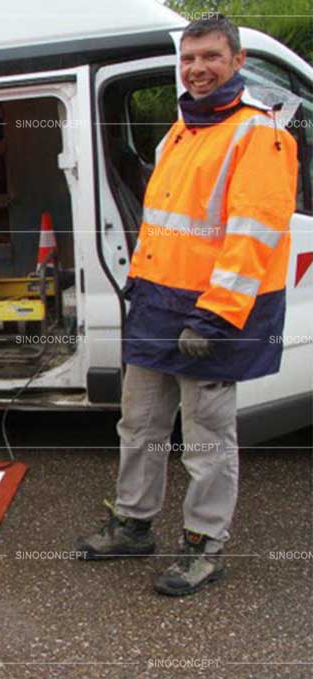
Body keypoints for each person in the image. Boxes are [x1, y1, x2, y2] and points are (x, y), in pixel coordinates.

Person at [75, 14, 298, 595]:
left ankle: (204, 545)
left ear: (237, 63)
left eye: (210, 58)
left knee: (205, 439)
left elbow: (254, 235)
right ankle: (133, 524)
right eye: (189, 59)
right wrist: (139, 287)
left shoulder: (261, 135)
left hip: (210, 314)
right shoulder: (178, 132)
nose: (197, 69)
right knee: (140, 424)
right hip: (157, 306)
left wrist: (218, 314)